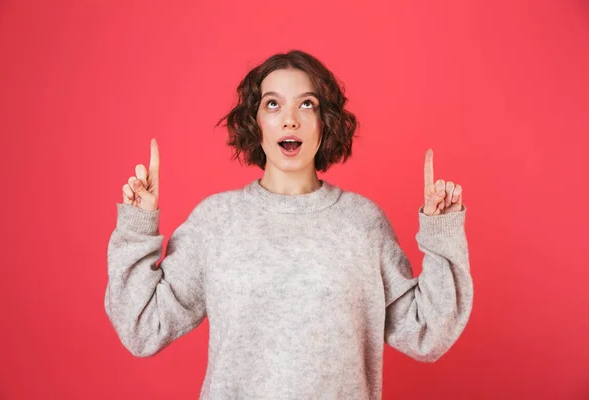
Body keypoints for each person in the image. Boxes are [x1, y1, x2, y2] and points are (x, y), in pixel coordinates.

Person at [105, 50, 473, 399]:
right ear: (256, 122)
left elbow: (427, 333)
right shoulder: (216, 222)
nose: (289, 118)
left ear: (324, 123)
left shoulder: (362, 223)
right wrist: (137, 227)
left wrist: (442, 234)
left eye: (307, 104)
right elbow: (142, 328)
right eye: (273, 103)